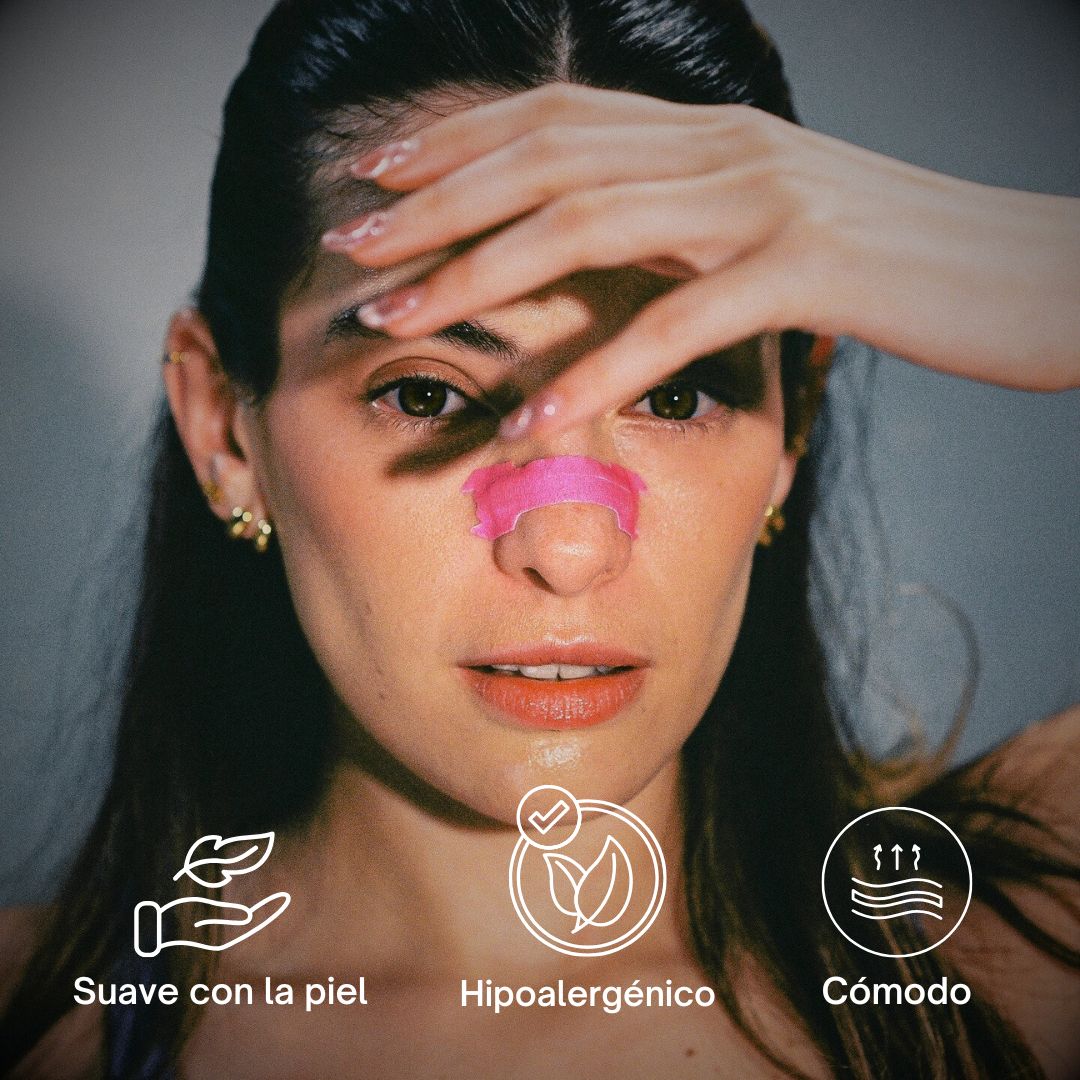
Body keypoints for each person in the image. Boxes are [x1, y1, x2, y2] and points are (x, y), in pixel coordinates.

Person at [1, 1, 1077, 1077]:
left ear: (793, 416)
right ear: (224, 429)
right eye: (426, 392)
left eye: (676, 391)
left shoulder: (1015, 955)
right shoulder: (38, 1031)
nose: (568, 550)